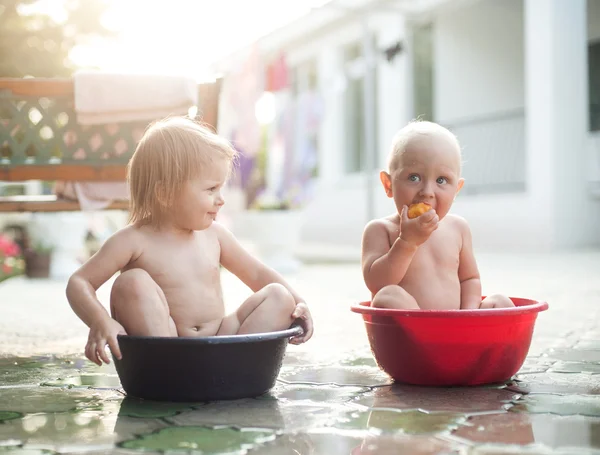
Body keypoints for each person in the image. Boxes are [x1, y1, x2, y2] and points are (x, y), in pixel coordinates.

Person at [66, 117, 313, 366]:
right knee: (131, 283)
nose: (221, 199)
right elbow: (79, 282)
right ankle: (172, 370)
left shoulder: (215, 235)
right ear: (165, 193)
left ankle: (233, 368)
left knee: (279, 296)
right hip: (166, 344)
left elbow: (258, 273)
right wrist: (100, 320)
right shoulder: (133, 240)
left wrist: (298, 302)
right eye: (210, 190)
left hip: (219, 339)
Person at [361, 120, 514, 311]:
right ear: (388, 184)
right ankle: (425, 340)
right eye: (414, 177)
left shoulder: (458, 228)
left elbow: (470, 279)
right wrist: (407, 243)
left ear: (456, 190)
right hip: (412, 332)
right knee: (388, 295)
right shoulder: (380, 230)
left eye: (441, 180)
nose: (427, 192)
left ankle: (468, 336)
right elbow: (377, 283)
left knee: (500, 302)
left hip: (456, 325)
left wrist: (468, 313)